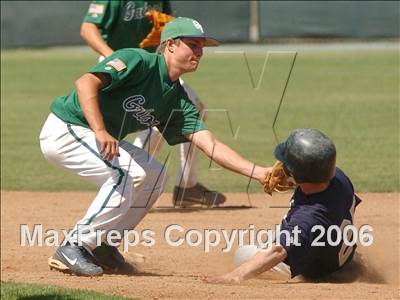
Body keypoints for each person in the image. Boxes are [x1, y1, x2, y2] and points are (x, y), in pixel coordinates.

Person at [40, 17, 270, 277]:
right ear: (170, 44)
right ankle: (74, 245)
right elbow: (85, 82)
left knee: (155, 175)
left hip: (90, 135)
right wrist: (101, 130)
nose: (199, 52)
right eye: (193, 44)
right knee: (127, 174)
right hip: (66, 128)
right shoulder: (138, 61)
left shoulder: (177, 100)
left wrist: (260, 173)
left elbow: (211, 145)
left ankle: (104, 246)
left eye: (202, 47)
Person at [80, 0, 226, 207]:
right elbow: (87, 29)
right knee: (160, 116)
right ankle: (133, 180)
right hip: (122, 68)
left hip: (153, 66)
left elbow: (171, 27)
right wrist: (113, 56)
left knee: (193, 110)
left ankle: (186, 186)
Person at [205, 128, 362, 284]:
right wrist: (294, 180)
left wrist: (237, 275)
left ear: (295, 174)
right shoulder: (339, 178)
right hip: (338, 256)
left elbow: (278, 251)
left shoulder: (307, 218)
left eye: (286, 164)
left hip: (316, 269)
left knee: (242, 254)